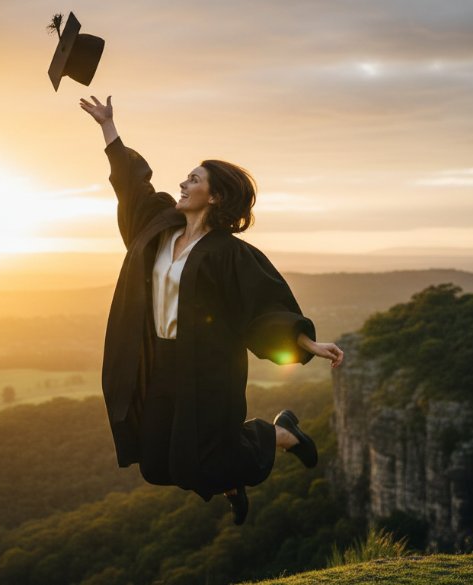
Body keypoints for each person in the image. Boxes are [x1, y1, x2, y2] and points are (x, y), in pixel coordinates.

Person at [80, 95, 344, 525]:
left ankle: (280, 434)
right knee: (159, 464)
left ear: (216, 196)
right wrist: (108, 128)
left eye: (193, 179)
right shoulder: (158, 225)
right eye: (185, 178)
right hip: (159, 362)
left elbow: (264, 303)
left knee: (198, 457)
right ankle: (229, 481)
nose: (182, 184)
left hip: (206, 367)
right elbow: (131, 185)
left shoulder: (229, 254)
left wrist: (306, 341)